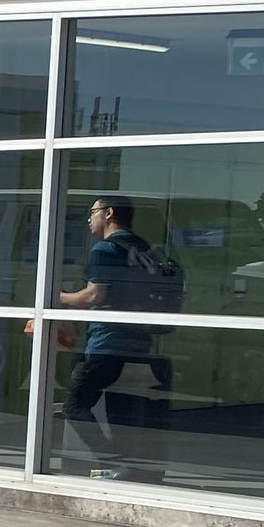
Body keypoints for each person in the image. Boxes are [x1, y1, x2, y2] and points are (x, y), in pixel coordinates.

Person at [55, 195, 161, 470]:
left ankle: (110, 464)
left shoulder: (104, 248)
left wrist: (56, 297)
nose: (89, 218)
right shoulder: (142, 247)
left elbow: (93, 296)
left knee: (74, 406)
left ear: (109, 213)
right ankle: (128, 468)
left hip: (107, 344)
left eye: (92, 212)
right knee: (122, 414)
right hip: (138, 344)